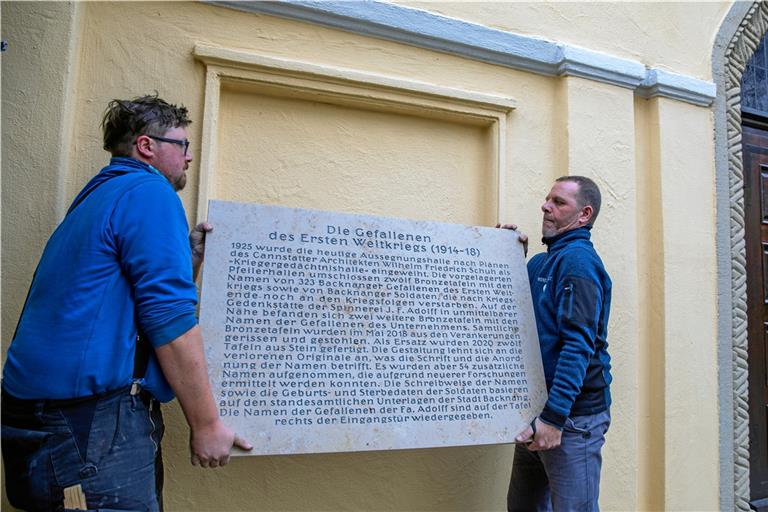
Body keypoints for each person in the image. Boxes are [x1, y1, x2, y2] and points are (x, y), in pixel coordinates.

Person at [1, 94, 252, 511]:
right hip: (87, 429)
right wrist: (206, 424)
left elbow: (121, 304)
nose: (189, 158)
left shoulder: (97, 196)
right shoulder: (149, 191)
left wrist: (188, 259)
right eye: (182, 145)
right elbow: (169, 318)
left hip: (39, 420)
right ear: (146, 146)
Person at [502, 176, 612, 512]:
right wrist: (503, 255)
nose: (545, 206)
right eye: (547, 199)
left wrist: (554, 419)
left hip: (570, 419)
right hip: (538, 413)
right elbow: (518, 317)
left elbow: (578, 345)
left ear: (584, 214)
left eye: (559, 202)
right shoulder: (540, 262)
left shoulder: (578, 261)